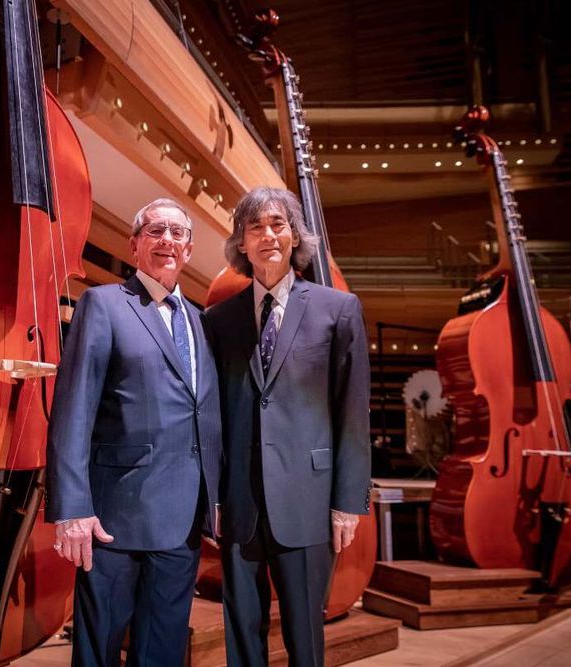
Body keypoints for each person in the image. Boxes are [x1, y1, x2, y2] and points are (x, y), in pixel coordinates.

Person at [46, 197, 222, 666]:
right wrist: (72, 508)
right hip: (114, 519)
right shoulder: (103, 304)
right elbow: (73, 409)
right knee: (99, 650)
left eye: (177, 233)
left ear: (189, 250)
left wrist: (218, 499)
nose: (167, 240)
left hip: (183, 521)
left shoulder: (202, 323)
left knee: (162, 652)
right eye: (155, 230)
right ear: (134, 244)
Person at [204, 186, 371, 667]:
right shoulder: (218, 320)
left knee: (305, 636)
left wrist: (347, 504)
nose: (267, 236)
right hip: (240, 503)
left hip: (308, 499)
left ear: (295, 236)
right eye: (254, 227)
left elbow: (353, 414)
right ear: (241, 242)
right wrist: (212, 497)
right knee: (242, 633)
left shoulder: (338, 309)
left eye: (277, 224)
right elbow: (212, 418)